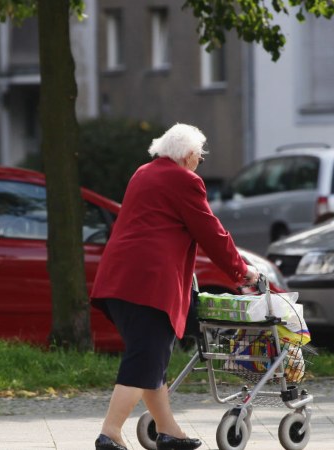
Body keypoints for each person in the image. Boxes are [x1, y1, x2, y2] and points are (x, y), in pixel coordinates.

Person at [91, 123, 259, 450]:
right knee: (144, 357)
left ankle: (169, 432)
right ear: (189, 155)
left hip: (118, 280)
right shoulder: (184, 179)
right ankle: (109, 433)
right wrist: (241, 271)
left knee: (151, 357)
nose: (199, 164)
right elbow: (211, 231)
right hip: (149, 285)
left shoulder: (143, 173)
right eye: (199, 157)